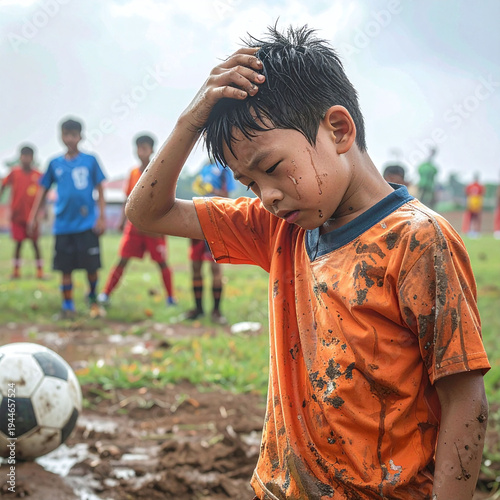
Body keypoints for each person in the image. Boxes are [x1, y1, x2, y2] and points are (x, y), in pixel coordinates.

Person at [125, 26, 489, 499]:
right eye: (250, 184)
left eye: (272, 169)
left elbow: (464, 398)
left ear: (338, 130)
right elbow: (146, 212)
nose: (268, 195)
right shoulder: (278, 228)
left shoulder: (418, 240)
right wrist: (191, 120)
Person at [29, 118, 106, 318]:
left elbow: (100, 189)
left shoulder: (90, 160)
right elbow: (43, 190)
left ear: (81, 136)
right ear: (61, 136)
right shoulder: (55, 163)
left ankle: (92, 300)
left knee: (92, 267)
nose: (70, 138)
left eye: (74, 134)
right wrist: (35, 215)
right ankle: (68, 305)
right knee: (65, 268)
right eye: (66, 134)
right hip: (63, 225)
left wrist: (101, 217)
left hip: (87, 223)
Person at [97, 134, 176, 307]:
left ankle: (171, 298)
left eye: (145, 148)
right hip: (134, 227)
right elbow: (128, 199)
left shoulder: (159, 172)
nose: (141, 151)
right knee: (122, 259)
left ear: (152, 150)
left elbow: (165, 199)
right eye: (139, 148)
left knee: (162, 262)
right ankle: (105, 294)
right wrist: (121, 221)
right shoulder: (133, 173)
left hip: (154, 227)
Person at [185, 157, 236, 323]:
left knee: (215, 268)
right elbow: (200, 191)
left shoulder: (224, 169)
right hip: (197, 219)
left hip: (215, 221)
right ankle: (198, 309)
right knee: (195, 265)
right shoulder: (204, 166)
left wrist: (212, 189)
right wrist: (200, 188)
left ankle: (216, 311)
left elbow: (227, 196)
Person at [0, 145, 44, 279]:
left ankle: (40, 272)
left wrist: (43, 211)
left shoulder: (38, 175)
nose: (26, 159)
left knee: (35, 244)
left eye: (28, 156)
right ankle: (16, 271)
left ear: (32, 158)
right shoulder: (14, 173)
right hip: (17, 215)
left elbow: (44, 194)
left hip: (33, 217)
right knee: (18, 244)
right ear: (20, 157)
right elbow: (3, 186)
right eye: (23, 156)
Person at [462, 173, 485, 238]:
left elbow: (481, 195)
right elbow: (467, 194)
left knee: (477, 218)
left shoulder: (480, 186)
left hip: (477, 204)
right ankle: (469, 231)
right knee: (470, 218)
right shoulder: (470, 186)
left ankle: (476, 231)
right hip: (471, 203)